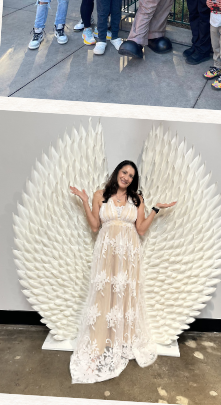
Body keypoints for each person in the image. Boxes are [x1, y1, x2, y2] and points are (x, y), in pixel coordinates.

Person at [69, 161, 176, 383]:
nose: (126, 177)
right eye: (124, 172)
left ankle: (120, 339)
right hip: (106, 251)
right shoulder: (101, 195)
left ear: (133, 180)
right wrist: (85, 202)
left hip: (129, 253)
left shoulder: (136, 199)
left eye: (131, 175)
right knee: (102, 295)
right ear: (118, 172)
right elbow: (95, 227)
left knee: (124, 295)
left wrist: (155, 208)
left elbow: (141, 229)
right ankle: (98, 343)